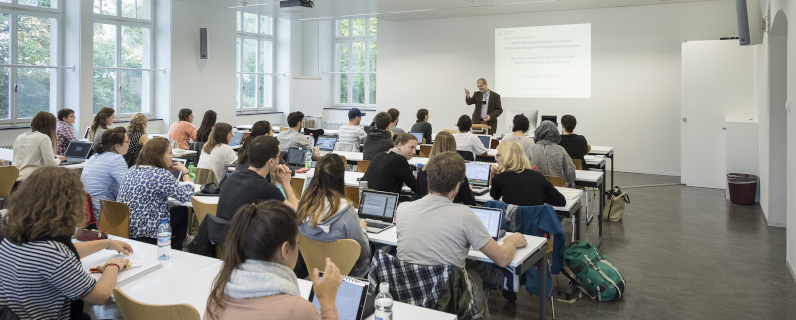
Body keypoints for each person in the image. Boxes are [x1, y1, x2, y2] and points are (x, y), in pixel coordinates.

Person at [395, 152, 528, 319]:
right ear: (458, 186)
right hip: (449, 301)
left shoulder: (403, 209)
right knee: (475, 278)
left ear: (428, 179)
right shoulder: (464, 215)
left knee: (467, 265)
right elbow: (502, 259)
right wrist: (512, 241)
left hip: (408, 294)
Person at [0, 166, 133, 320]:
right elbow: (100, 296)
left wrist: (106, 243)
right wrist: (113, 266)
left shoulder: (15, 236)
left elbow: (66, 251)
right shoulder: (52, 253)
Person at [204, 201, 343, 320]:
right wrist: (327, 302)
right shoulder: (297, 311)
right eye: (298, 243)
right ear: (285, 249)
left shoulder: (216, 297)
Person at [297, 154, 371, 278]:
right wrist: (362, 229)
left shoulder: (302, 207)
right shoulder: (347, 212)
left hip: (315, 273)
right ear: (341, 177)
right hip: (348, 276)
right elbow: (362, 253)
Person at [118, 138, 194, 247]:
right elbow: (187, 196)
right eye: (170, 152)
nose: (173, 155)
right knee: (182, 211)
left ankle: (180, 242)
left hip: (125, 227)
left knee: (175, 214)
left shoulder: (132, 169)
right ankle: (180, 243)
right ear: (159, 156)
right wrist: (185, 172)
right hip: (146, 231)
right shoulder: (161, 174)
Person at [217, 136, 299, 221]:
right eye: (279, 156)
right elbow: (296, 212)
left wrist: (274, 183)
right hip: (241, 233)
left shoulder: (233, 176)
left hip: (223, 232)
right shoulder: (264, 188)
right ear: (271, 161)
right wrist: (285, 183)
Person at [490, 141, 565, 207]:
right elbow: (560, 201)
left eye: (498, 155)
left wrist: (497, 173)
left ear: (506, 157)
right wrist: (540, 195)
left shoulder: (499, 178)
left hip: (510, 221)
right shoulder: (537, 176)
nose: (496, 159)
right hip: (535, 221)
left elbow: (495, 196)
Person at [81, 127, 130, 222]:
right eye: (127, 141)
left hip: (88, 211)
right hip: (104, 213)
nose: (129, 143)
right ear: (117, 146)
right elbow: (128, 187)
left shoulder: (94, 157)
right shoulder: (116, 159)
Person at [416, 131, 476, 205]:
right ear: (453, 147)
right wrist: (469, 190)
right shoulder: (457, 173)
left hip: (426, 213)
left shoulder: (423, 171)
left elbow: (418, 197)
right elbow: (470, 203)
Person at [13, 111, 65, 186]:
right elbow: (51, 165)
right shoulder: (44, 138)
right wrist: (59, 160)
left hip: (14, 180)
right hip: (32, 180)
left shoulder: (20, 137)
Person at [529, 120, 577, 188]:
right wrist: (571, 185)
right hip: (559, 189)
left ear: (538, 132)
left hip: (537, 189)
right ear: (555, 133)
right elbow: (570, 171)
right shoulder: (561, 150)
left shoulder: (531, 150)